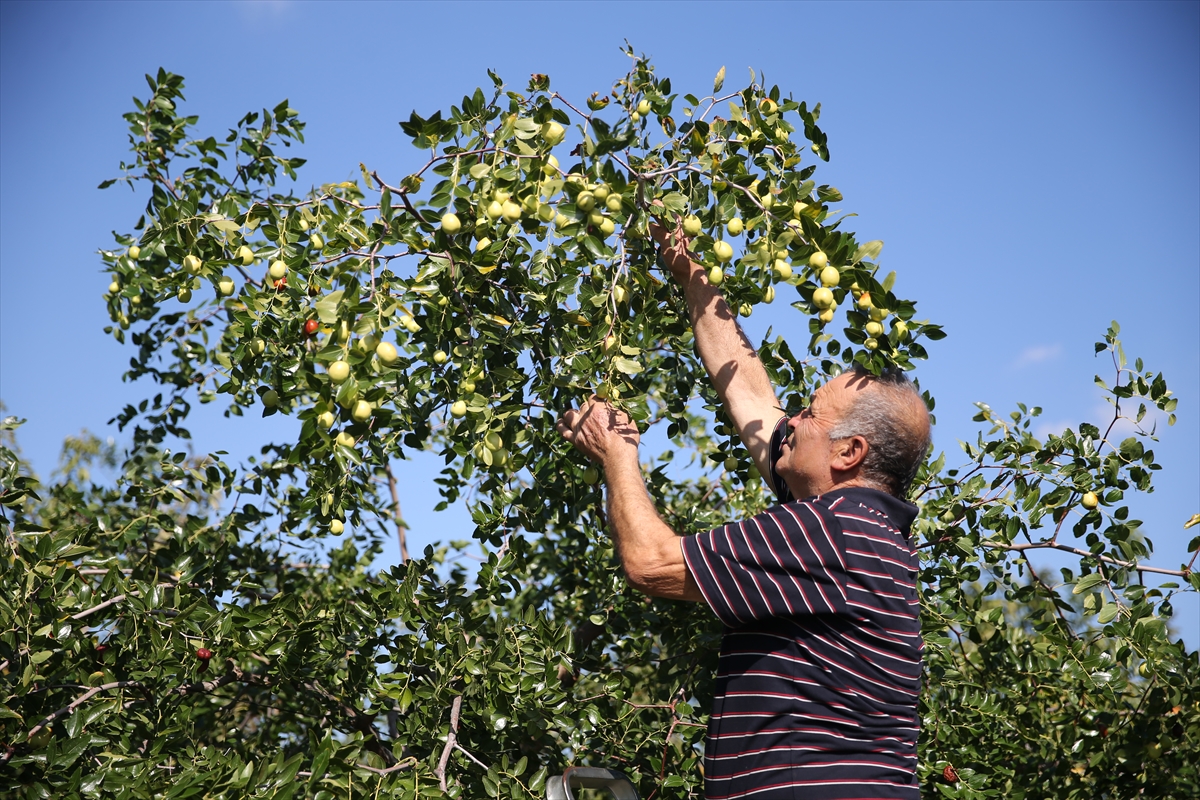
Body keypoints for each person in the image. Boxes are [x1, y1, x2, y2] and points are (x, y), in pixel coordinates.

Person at [556, 220, 932, 800]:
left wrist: (617, 453)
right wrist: (691, 273)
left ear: (848, 452)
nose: (793, 422)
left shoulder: (829, 533)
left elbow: (651, 563)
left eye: (809, 414)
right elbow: (751, 397)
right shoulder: (864, 528)